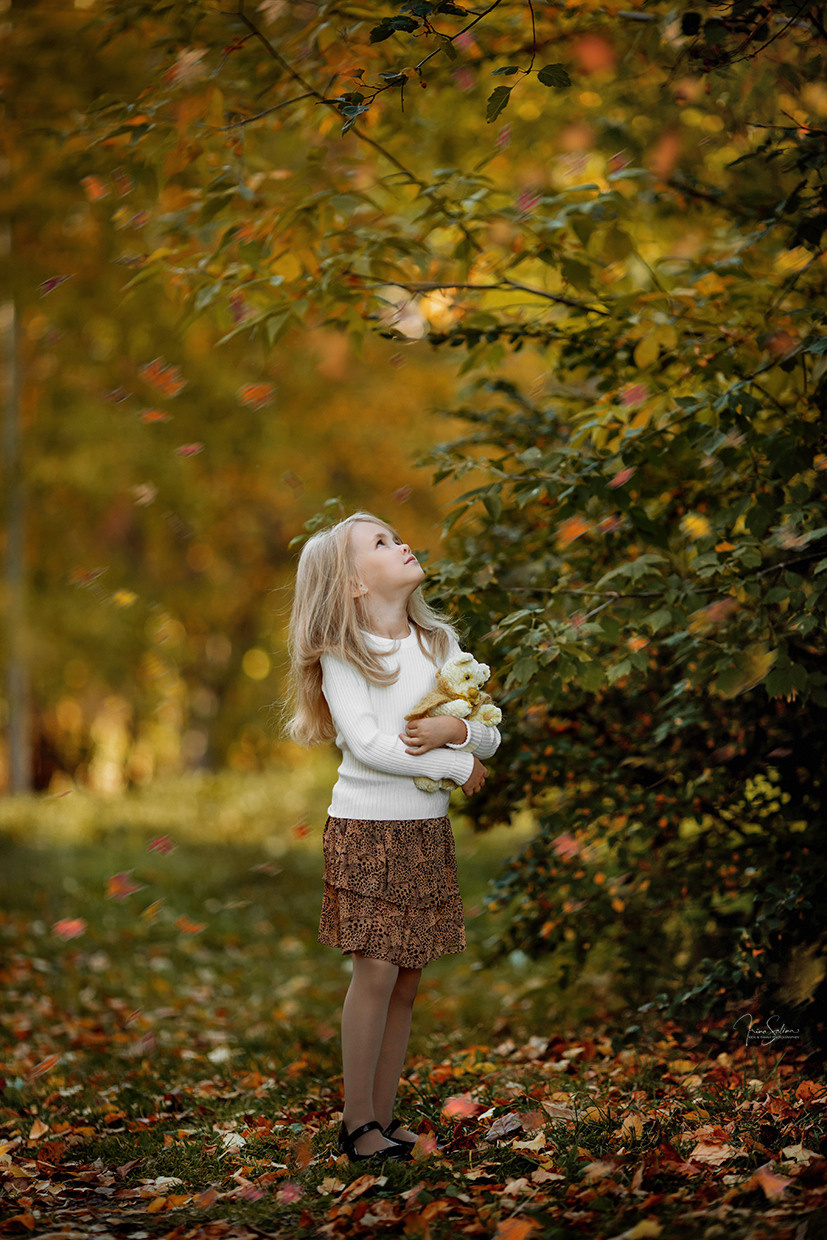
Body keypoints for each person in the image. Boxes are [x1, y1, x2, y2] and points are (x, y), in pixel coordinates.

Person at [287, 511, 501, 1163]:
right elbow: (371, 744)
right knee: (375, 968)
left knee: (407, 975)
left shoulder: (438, 644)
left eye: (396, 535)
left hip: (423, 833)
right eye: (380, 543)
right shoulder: (342, 651)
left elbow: (490, 732)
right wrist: (454, 764)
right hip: (364, 829)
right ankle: (357, 1125)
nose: (401, 543)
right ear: (353, 583)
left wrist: (456, 735)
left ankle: (382, 1119)